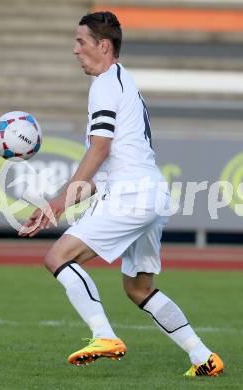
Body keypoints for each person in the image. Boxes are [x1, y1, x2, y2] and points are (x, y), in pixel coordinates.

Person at [19, 11, 224, 376]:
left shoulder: (103, 86)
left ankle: (104, 335)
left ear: (103, 45)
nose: (75, 50)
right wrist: (62, 204)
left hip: (132, 195)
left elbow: (98, 150)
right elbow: (109, 165)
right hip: (149, 192)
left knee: (58, 257)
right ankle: (203, 357)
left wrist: (56, 204)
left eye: (81, 42)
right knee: (138, 287)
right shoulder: (123, 81)